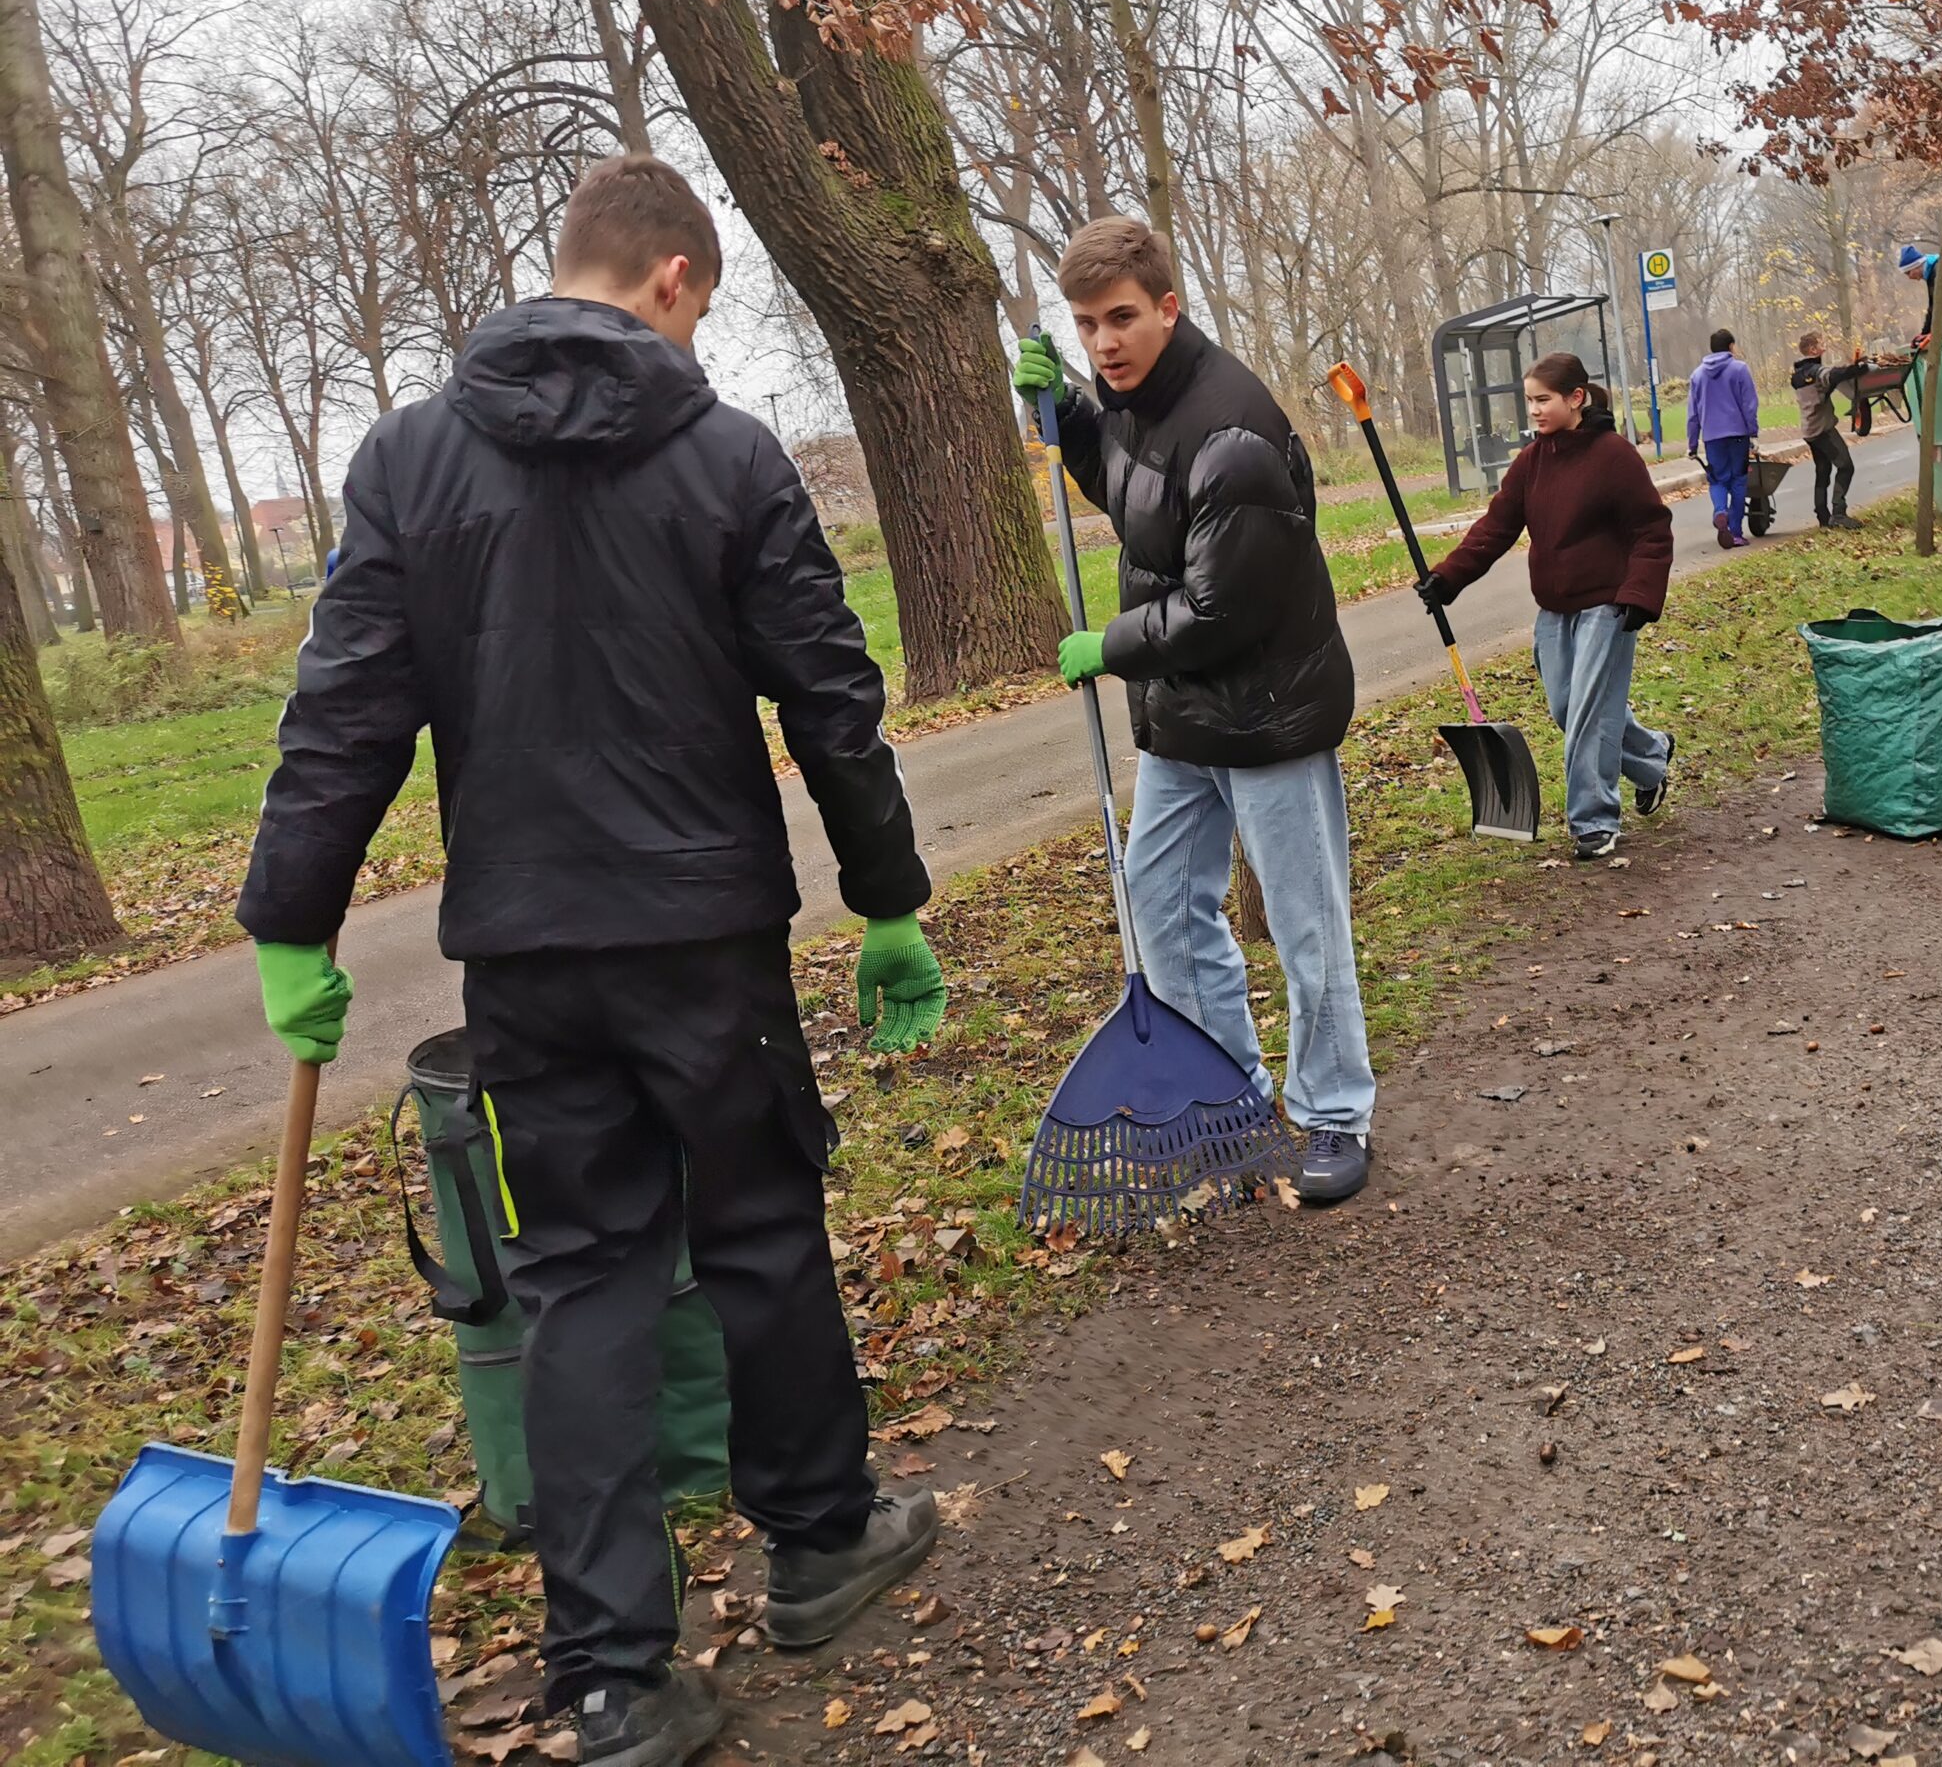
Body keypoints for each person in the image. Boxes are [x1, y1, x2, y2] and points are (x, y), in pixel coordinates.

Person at [236, 157, 947, 1767]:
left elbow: (344, 708)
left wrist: (295, 917)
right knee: (759, 1225)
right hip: (703, 938)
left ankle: (615, 1676)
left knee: (578, 1276)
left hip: (529, 953)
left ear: (565, 270)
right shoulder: (728, 458)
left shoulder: (408, 462)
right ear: (677, 282)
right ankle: (819, 1540)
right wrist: (887, 897)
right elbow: (828, 701)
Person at [1009, 218, 1378, 1203]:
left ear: (1168, 307)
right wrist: (1066, 417)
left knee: (1305, 924)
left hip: (1265, 716)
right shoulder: (1133, 400)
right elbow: (1134, 496)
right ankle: (1233, 1095)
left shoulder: (1233, 431)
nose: (1104, 343)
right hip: (1183, 719)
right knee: (1163, 906)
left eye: (1122, 318)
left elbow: (1222, 608)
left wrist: (1108, 648)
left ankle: (1335, 1112)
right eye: (1086, 326)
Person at [1417, 354, 1674, 861]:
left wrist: (1641, 595)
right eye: (1529, 401)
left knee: (1589, 714)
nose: (1533, 410)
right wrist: (1447, 577)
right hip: (1554, 609)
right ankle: (1651, 756)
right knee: (1565, 706)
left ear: (1575, 398)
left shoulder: (1614, 456)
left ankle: (1594, 822)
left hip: (1609, 606)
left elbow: (1652, 530)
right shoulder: (1532, 463)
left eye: (1543, 400)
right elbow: (1494, 529)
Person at [1685, 328, 1759, 547]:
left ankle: (1720, 511)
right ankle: (1735, 532)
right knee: (1738, 480)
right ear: (1730, 347)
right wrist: (1752, 431)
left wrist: (1692, 443)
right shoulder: (1740, 369)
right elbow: (1749, 405)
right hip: (1737, 434)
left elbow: (1693, 414)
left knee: (1717, 479)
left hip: (1712, 438)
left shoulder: (1697, 375)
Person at [1790, 331, 1860, 530]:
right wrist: (1855, 370)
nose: (1824, 346)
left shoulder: (1799, 374)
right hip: (1822, 430)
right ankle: (1839, 513)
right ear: (1812, 349)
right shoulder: (1814, 371)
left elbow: (1823, 387)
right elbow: (1831, 375)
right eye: (1821, 343)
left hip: (1809, 431)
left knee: (1823, 470)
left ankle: (1823, 517)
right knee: (1846, 466)